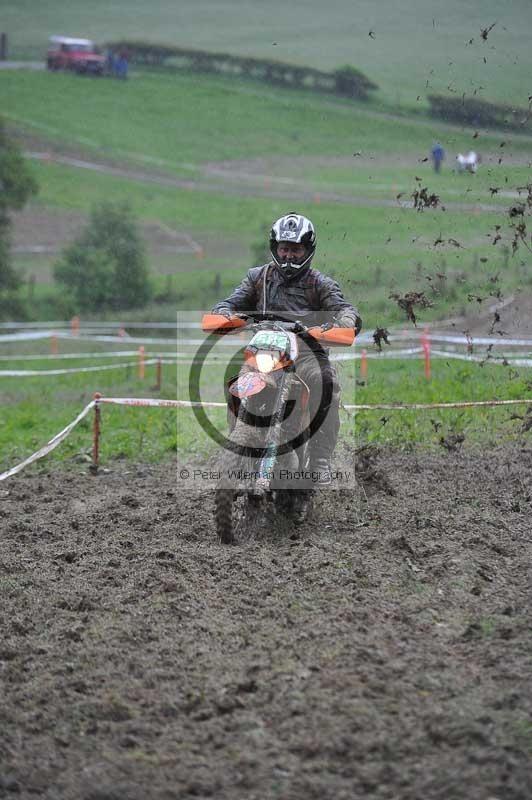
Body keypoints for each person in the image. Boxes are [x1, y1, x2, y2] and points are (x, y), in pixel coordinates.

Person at [212, 212, 361, 484]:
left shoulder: (320, 284)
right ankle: (237, 439)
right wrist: (224, 314)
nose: (289, 255)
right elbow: (231, 302)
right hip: (265, 350)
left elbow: (345, 310)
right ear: (275, 248)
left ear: (307, 250)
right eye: (284, 248)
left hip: (305, 353)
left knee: (325, 380)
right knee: (233, 375)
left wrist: (342, 323)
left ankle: (319, 459)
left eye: (295, 249)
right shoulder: (258, 278)